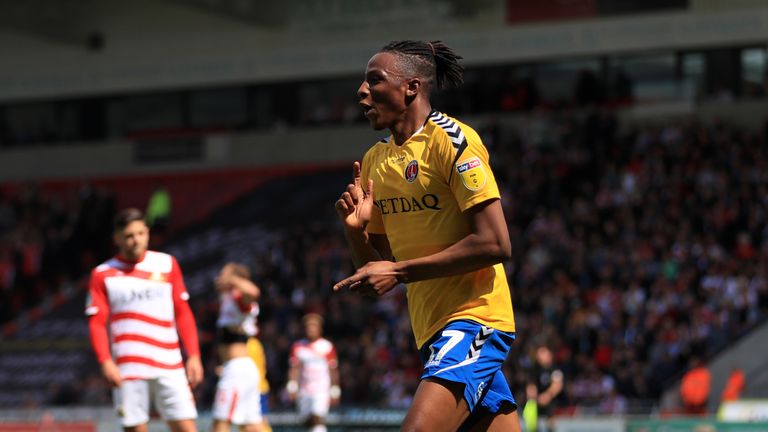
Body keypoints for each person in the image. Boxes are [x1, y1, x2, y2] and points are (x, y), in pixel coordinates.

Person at [333, 40, 519, 432]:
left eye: (374, 80)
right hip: (431, 330)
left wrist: (400, 272)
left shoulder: (453, 141)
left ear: (411, 88)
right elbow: (380, 268)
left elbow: (496, 243)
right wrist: (355, 232)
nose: (361, 91)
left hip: (476, 320)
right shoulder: (374, 162)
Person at [85, 208, 202, 432]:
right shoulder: (102, 274)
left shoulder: (167, 264)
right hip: (128, 367)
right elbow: (97, 322)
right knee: (135, 428)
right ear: (117, 239)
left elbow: (183, 312)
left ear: (147, 233)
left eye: (140, 233)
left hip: (169, 362)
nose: (135, 240)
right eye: (128, 236)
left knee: (186, 427)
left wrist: (194, 355)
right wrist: (105, 361)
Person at [211, 262, 263, 432]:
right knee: (250, 426)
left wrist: (233, 279)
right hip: (238, 369)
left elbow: (254, 292)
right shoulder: (228, 299)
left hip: (237, 370)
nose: (219, 279)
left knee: (221, 422)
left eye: (223, 275)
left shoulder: (240, 298)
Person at [286, 313, 340, 432]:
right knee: (307, 421)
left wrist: (335, 388)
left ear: (320, 328)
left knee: (318, 417)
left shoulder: (327, 346)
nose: (310, 329)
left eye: (313, 326)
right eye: (308, 326)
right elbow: (294, 367)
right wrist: (292, 386)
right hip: (305, 389)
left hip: (321, 389)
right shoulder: (298, 346)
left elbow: (333, 369)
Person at [525, 345, 564, 432]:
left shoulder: (555, 369)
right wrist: (532, 394)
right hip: (537, 402)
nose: (540, 357)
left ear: (549, 355)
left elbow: (557, 385)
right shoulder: (535, 369)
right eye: (539, 354)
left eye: (543, 354)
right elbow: (531, 385)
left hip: (552, 403)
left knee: (551, 425)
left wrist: (547, 395)